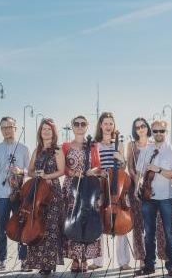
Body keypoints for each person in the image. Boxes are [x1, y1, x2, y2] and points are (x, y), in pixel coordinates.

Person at [134, 119, 172, 277]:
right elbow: (140, 172)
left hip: (166, 197)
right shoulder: (146, 149)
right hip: (148, 197)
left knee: (169, 232)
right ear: (151, 132)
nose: (158, 134)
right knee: (149, 232)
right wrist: (136, 188)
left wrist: (159, 169)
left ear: (166, 132)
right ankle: (149, 264)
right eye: (155, 131)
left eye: (162, 131)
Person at [24, 118, 66, 276]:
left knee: (51, 228)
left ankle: (48, 264)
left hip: (53, 192)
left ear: (53, 132)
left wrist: (47, 175)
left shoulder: (58, 150)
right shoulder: (37, 150)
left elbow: (61, 171)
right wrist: (36, 174)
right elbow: (29, 171)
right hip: (37, 191)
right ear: (40, 132)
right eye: (44, 129)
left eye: (49, 129)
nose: (46, 131)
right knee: (37, 224)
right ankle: (35, 261)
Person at [90, 112, 132, 271]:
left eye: (111, 123)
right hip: (100, 184)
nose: (108, 126)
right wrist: (98, 171)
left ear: (114, 126)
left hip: (116, 186)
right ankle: (98, 260)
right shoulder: (95, 144)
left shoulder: (119, 144)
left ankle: (123, 261)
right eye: (105, 123)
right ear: (100, 125)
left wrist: (120, 159)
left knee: (121, 222)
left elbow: (123, 168)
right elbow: (93, 166)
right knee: (98, 221)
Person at [61, 115, 102, 272]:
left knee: (87, 221)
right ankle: (75, 259)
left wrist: (93, 170)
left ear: (86, 126)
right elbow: (62, 167)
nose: (79, 126)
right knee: (73, 220)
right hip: (71, 186)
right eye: (76, 124)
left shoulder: (92, 145)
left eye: (82, 124)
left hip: (89, 186)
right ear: (72, 126)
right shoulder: (65, 146)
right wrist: (72, 172)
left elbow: (98, 167)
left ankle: (85, 258)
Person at [126, 117, 168, 266]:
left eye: (143, 126)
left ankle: (164, 254)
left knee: (158, 222)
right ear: (134, 130)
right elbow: (130, 166)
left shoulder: (153, 144)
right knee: (138, 224)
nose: (140, 129)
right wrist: (138, 181)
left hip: (153, 188)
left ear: (147, 127)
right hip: (136, 187)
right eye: (137, 127)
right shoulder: (131, 145)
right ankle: (142, 258)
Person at [0, 116, 30, 272]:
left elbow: (30, 171)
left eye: (10, 127)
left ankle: (24, 260)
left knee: (22, 226)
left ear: (15, 128)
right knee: (1, 228)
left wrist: (20, 171)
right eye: (3, 128)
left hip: (19, 193)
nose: (7, 130)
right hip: (1, 193)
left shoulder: (24, 148)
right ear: (1, 130)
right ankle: (1, 260)